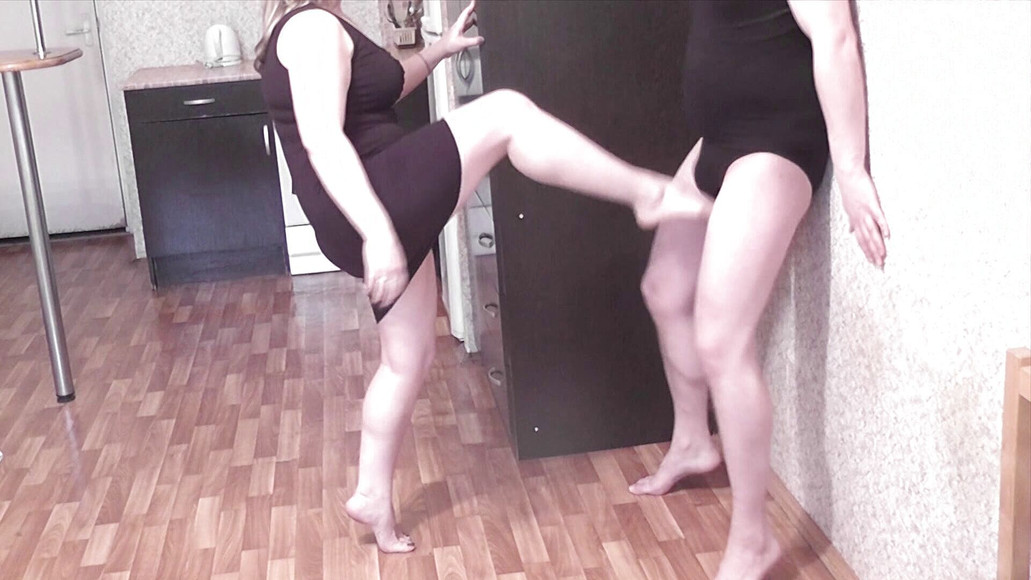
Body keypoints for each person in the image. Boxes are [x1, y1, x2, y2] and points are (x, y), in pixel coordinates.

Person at [256, 0, 712, 553]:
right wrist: (378, 233)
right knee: (507, 114)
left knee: (406, 358)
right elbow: (323, 141)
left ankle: (372, 494)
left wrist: (440, 49)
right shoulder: (312, 26)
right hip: (372, 199)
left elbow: (384, 88)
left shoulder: (321, 24)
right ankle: (648, 195)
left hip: (371, 201)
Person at [628, 1, 890, 579]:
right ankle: (693, 441)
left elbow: (835, 37)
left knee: (722, 340)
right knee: (665, 288)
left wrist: (851, 168)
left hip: (774, 141)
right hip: (717, 140)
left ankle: (754, 541)